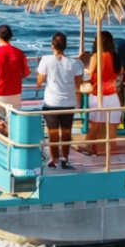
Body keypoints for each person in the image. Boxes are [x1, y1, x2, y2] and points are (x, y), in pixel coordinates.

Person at [35, 32, 85, 169]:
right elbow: (78, 84)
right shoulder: (76, 63)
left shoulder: (45, 60)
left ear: (53, 46)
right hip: (69, 102)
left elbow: (39, 82)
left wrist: (39, 74)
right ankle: (64, 158)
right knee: (66, 132)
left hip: (51, 103)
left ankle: (54, 159)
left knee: (53, 134)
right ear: (65, 46)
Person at [85, 30, 122, 155]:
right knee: (112, 129)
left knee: (94, 126)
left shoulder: (96, 57)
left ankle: (90, 148)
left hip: (98, 94)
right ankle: (113, 151)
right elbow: (117, 74)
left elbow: (90, 76)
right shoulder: (115, 57)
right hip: (112, 95)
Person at [0, 24, 29, 117]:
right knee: (13, 117)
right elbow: (26, 73)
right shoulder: (19, 53)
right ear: (10, 37)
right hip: (15, 94)